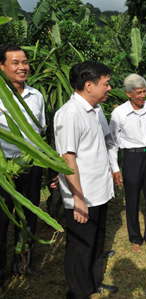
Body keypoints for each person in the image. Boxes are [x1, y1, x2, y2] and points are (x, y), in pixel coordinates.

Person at [54, 60, 118, 298]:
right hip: (82, 195)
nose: (109, 88)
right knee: (81, 247)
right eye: (106, 83)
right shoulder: (70, 113)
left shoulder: (95, 111)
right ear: (89, 85)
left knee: (96, 243)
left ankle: (93, 283)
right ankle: (78, 292)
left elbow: (100, 145)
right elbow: (67, 159)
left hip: (99, 190)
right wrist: (78, 198)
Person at [0, 44, 46, 282]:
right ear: (2, 66)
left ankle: (24, 265)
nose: (22, 67)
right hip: (3, 169)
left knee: (29, 215)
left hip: (31, 165)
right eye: (15, 63)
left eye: (25, 62)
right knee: (1, 219)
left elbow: (39, 131)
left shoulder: (36, 96)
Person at [107, 73, 146, 253]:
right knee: (132, 199)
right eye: (138, 92)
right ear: (128, 93)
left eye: (144, 91)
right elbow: (112, 143)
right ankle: (135, 237)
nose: (142, 95)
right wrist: (115, 168)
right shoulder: (119, 113)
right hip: (132, 158)